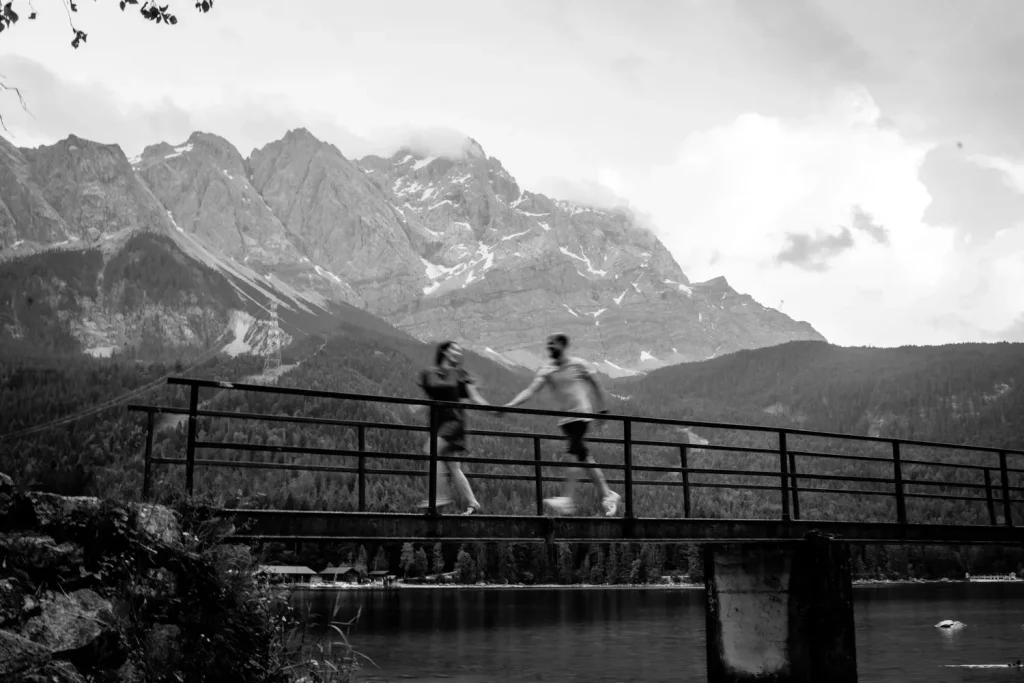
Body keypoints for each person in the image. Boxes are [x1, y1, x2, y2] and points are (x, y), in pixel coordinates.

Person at [502, 334, 621, 517]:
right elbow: (531, 390)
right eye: (548, 344)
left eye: (553, 344)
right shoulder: (547, 370)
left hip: (581, 416)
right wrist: (512, 404)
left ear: (563, 346)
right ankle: (608, 494)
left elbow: (597, 385)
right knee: (584, 458)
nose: (549, 347)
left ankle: (568, 500)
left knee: (574, 455)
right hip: (565, 422)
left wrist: (603, 410)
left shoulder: (578, 364)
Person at [416, 341, 489, 515]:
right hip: (437, 422)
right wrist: (417, 408)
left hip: (453, 421)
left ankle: (439, 497)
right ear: (445, 351)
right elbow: (430, 396)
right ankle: (473, 502)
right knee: (453, 467)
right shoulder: (430, 373)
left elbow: (474, 397)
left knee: (431, 450)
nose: (458, 352)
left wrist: (493, 410)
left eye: (460, 350)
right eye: (454, 349)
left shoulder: (461, 374)